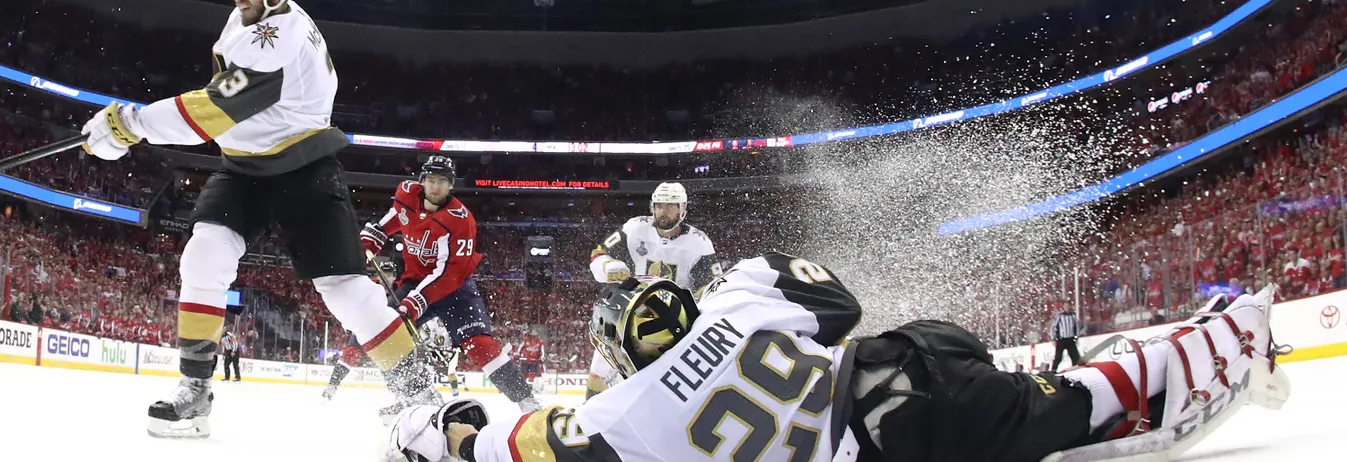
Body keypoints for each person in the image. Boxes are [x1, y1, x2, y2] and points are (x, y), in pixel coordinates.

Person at [389, 252, 1290, 462]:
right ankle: (1214, 337)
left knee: (1068, 414)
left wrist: (440, 431)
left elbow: (516, 444)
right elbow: (838, 304)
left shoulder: (622, 416)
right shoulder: (735, 300)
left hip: (889, 435)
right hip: (904, 355)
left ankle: (1212, 349)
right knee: (1054, 395)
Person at [80, 0, 436, 439]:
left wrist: (131, 123)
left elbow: (212, 112)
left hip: (303, 169)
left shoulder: (277, 40)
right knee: (203, 257)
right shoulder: (259, 19)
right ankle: (195, 389)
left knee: (349, 293)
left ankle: (422, 395)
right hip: (243, 168)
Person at [322, 156, 540, 413]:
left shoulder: (461, 219)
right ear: (422, 181)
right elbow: (392, 221)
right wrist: (372, 238)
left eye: (443, 182)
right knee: (381, 333)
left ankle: (527, 402)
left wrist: (416, 301)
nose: (436, 187)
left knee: (478, 344)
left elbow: (451, 273)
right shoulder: (407, 196)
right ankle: (413, 395)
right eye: (431, 180)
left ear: (451, 186)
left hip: (455, 290)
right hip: (414, 283)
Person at [584, 181, 719, 399]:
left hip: (676, 320)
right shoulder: (635, 227)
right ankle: (589, 413)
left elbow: (712, 287)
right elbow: (599, 252)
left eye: (671, 206)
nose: (663, 212)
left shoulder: (699, 242)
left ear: (683, 209)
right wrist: (607, 266)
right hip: (636, 311)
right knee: (603, 357)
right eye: (659, 205)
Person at [1050, 300, 1082, 371]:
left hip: (1070, 339)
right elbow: (1054, 326)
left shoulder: (1073, 315)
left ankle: (1076, 370)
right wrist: (1053, 338)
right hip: (1061, 339)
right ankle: (1053, 371)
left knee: (1075, 357)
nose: (1067, 307)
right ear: (1063, 307)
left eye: (1068, 306)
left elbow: (1076, 326)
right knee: (1058, 358)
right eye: (1065, 306)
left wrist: (1076, 336)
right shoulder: (1060, 315)